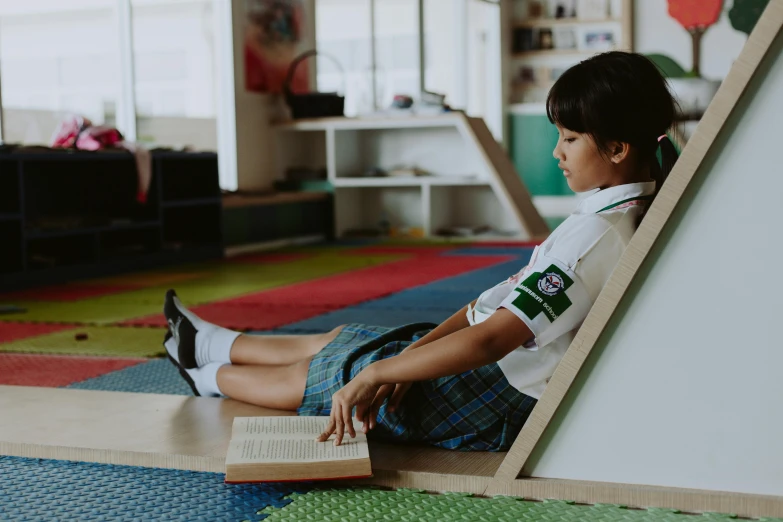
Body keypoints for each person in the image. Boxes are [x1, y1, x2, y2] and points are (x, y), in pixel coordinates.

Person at [163, 51, 680, 451]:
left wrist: (379, 373)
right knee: (358, 338)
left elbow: (490, 343)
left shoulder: (597, 236)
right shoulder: (609, 213)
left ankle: (205, 374)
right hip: (502, 371)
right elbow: (497, 305)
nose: (555, 152)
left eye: (569, 138)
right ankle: (208, 342)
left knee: (339, 372)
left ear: (617, 149)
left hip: (501, 397)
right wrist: (412, 350)